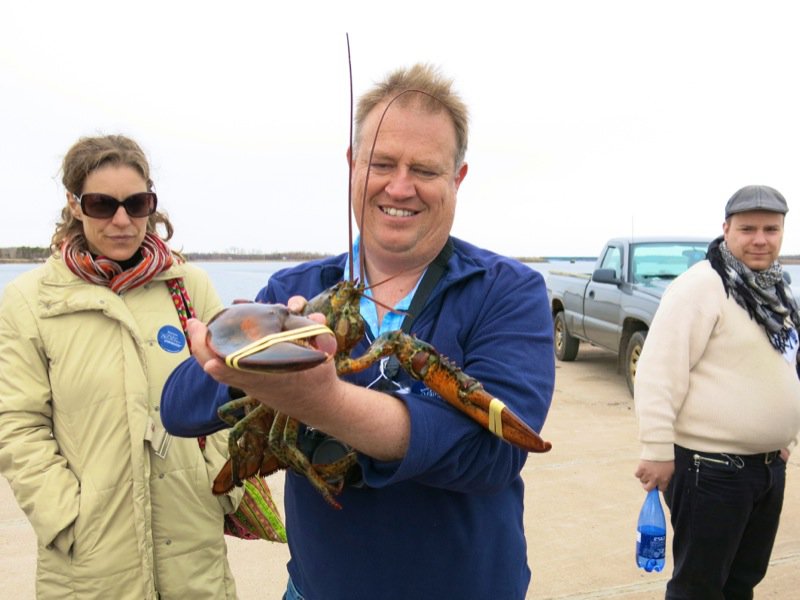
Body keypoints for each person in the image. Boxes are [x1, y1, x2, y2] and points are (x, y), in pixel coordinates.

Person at [161, 64, 555, 599]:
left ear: (458, 179)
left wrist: (324, 402)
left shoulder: (509, 291)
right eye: (382, 163)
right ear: (352, 165)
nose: (400, 186)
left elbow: (494, 456)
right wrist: (253, 362)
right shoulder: (292, 290)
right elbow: (178, 409)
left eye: (425, 169)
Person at [0, 135, 242, 599]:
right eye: (101, 204)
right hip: (89, 557)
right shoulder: (31, 301)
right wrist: (64, 517)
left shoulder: (190, 287)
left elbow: (235, 395)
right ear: (74, 205)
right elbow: (18, 424)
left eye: (136, 203)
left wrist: (220, 485)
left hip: (193, 548)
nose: (121, 220)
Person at [634, 184, 800, 599]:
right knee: (699, 589)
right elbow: (658, 371)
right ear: (726, 229)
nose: (760, 239)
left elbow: (784, 366)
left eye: (771, 229)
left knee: (742, 582)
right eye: (748, 229)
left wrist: (782, 438)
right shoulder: (702, 286)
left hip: (765, 470)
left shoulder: (776, 290)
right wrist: (656, 450)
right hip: (710, 472)